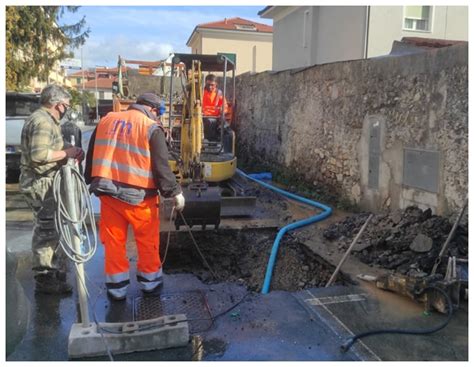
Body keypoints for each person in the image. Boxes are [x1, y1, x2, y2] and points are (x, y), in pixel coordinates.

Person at [84, 93, 185, 301]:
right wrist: (174, 192)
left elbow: (92, 154)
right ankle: (150, 284)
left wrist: (89, 178)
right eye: (159, 113)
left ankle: (117, 288)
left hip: (108, 193)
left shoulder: (106, 120)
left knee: (114, 242)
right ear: (153, 109)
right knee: (147, 242)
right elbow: (161, 167)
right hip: (140, 199)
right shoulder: (150, 128)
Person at [20, 84, 84, 295]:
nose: (66, 109)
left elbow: (53, 145)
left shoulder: (47, 121)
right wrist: (67, 154)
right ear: (57, 105)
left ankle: (51, 270)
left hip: (46, 182)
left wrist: (69, 149)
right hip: (41, 183)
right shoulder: (42, 122)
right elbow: (39, 155)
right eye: (66, 105)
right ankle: (45, 277)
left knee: (53, 227)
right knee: (47, 230)